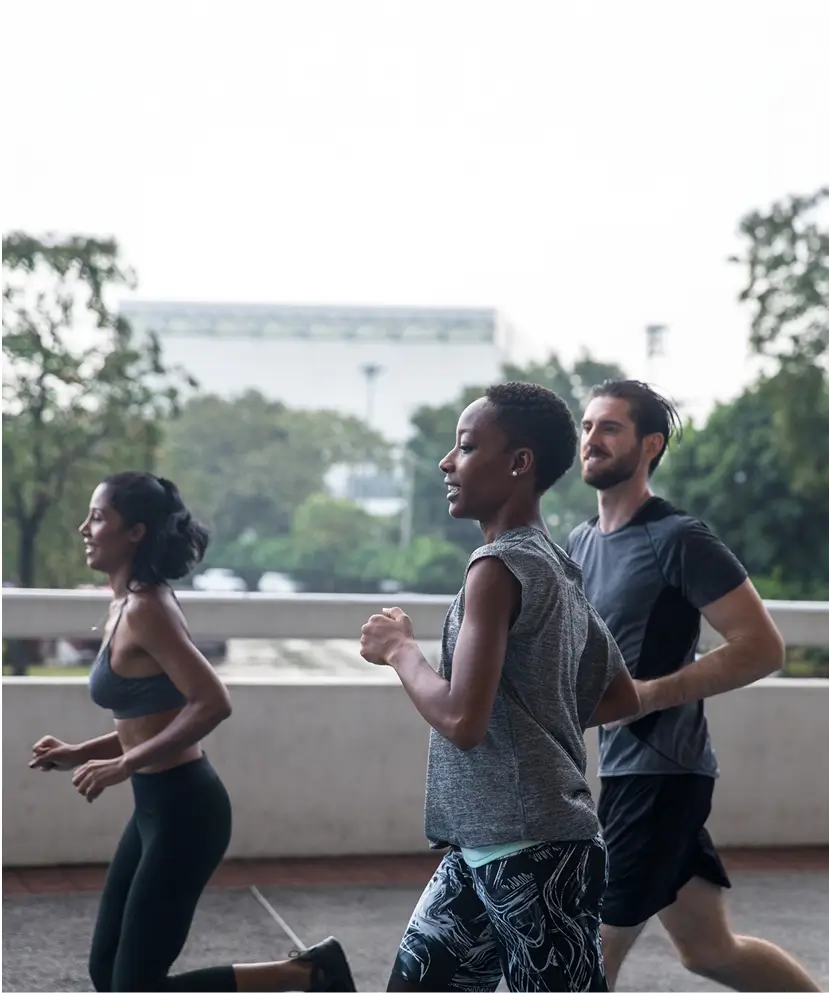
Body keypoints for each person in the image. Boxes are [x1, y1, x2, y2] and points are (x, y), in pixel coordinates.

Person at [359, 383, 641, 993]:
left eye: (464, 447)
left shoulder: (497, 569)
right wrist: (537, 715)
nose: (447, 463)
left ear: (519, 463)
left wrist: (400, 650)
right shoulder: (557, 565)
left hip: (538, 854)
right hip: (483, 846)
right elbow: (620, 696)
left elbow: (464, 721)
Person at [29, 471, 355, 993]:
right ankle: (311, 972)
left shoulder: (148, 610)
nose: (84, 528)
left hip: (187, 810)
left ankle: (308, 973)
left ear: (134, 532)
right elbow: (152, 720)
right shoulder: (124, 605)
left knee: (134, 987)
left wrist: (124, 765)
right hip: (155, 806)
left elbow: (211, 702)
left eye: (97, 517)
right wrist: (80, 752)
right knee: (106, 972)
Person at [566, 379, 822, 993]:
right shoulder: (577, 542)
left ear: (649, 445)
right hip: (625, 771)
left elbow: (763, 648)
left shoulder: (680, 538)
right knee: (708, 949)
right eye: (587, 426)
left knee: (587, 951)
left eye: (610, 428)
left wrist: (647, 695)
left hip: (661, 774)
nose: (591, 440)